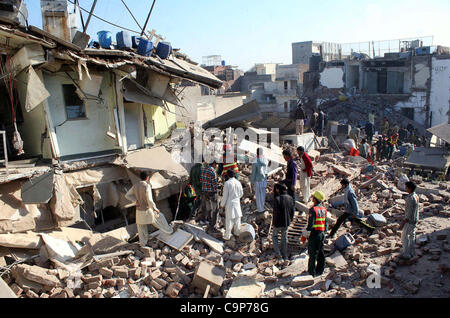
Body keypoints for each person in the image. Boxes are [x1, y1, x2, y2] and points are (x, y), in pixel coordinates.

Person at [125, 171, 173, 247]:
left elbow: (127, 195)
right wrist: (155, 208)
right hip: (147, 210)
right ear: (147, 178)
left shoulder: (135, 185)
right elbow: (150, 200)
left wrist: (135, 201)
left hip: (139, 211)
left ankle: (143, 244)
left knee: (141, 229)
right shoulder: (147, 186)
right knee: (160, 219)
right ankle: (169, 232)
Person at [303, 191, 327, 277]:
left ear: (315, 199)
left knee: (312, 254)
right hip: (321, 233)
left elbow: (310, 224)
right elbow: (325, 223)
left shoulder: (313, 210)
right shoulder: (324, 209)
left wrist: (305, 234)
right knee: (320, 252)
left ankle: (311, 272)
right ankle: (320, 270)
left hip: (314, 234)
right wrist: (324, 232)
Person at [272, 183, 295, 262]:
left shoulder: (277, 199)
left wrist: (274, 222)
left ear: (278, 190)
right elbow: (292, 211)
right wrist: (290, 220)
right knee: (284, 238)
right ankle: (285, 255)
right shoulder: (290, 198)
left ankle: (278, 253)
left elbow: (275, 212)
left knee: (275, 237)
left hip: (278, 222)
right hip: (286, 222)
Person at [220, 170, 243, 241]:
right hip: (237, 202)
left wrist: (222, 204)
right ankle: (237, 233)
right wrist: (237, 198)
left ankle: (227, 236)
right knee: (237, 219)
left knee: (229, 220)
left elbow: (225, 196)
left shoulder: (227, 183)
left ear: (228, 175)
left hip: (230, 203)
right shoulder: (238, 182)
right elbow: (241, 193)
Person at [399, 181, 419, 260]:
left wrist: (402, 223)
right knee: (412, 236)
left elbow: (408, 213)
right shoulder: (416, 196)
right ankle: (411, 252)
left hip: (409, 221)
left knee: (404, 237)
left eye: (406, 187)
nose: (405, 188)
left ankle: (406, 254)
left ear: (410, 188)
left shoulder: (410, 199)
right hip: (415, 219)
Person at [200, 161, 219, 230]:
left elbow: (201, 180)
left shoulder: (204, 169)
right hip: (212, 192)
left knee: (208, 207)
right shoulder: (212, 171)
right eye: (217, 164)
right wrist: (217, 189)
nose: (217, 166)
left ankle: (208, 221)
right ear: (214, 164)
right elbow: (214, 184)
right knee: (215, 209)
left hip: (205, 191)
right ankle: (213, 225)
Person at [251, 148, 268, 213]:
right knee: (263, 194)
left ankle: (260, 209)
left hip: (258, 180)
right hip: (264, 179)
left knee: (258, 195)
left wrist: (252, 181)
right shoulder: (265, 160)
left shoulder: (256, 161)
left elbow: (254, 172)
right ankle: (262, 207)